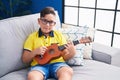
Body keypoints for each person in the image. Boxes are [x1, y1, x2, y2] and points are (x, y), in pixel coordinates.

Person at [22, 7, 76, 80]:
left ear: (54, 24)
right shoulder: (32, 37)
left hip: (58, 64)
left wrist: (72, 52)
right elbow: (25, 59)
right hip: (39, 66)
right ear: (39, 21)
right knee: (32, 76)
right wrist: (34, 52)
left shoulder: (59, 35)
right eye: (44, 21)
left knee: (67, 71)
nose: (47, 25)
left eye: (51, 22)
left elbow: (65, 57)